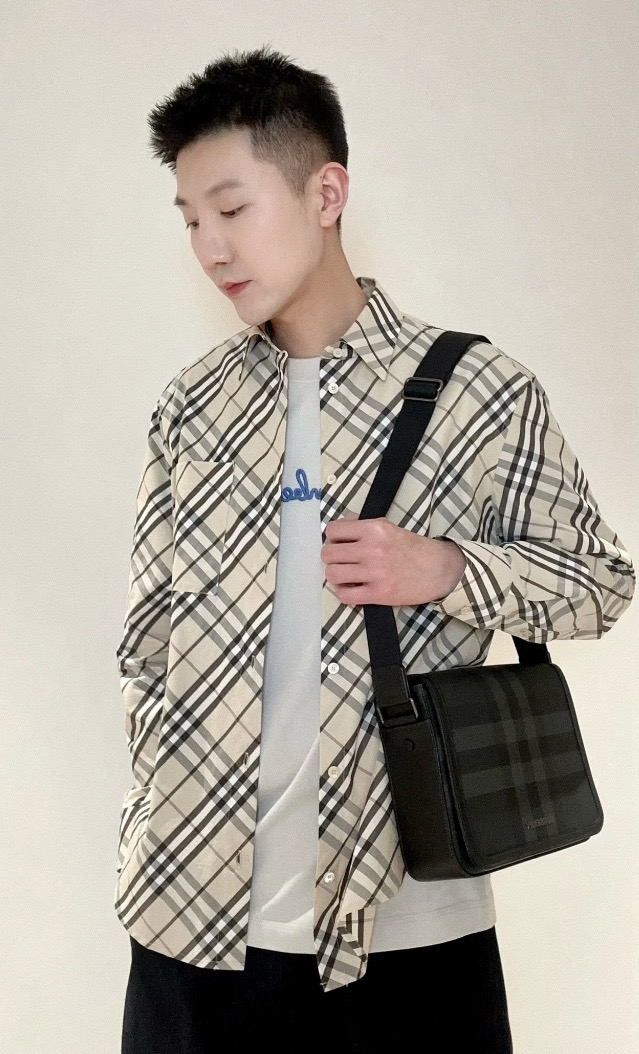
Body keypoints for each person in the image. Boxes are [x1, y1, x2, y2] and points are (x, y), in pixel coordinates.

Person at [114, 44, 636, 1054]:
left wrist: (448, 569)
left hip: (402, 931)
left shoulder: (479, 393)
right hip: (189, 922)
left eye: (232, 209)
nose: (211, 247)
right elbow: (146, 643)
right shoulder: (192, 407)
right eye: (189, 221)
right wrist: (150, 812)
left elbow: (601, 583)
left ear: (325, 193)